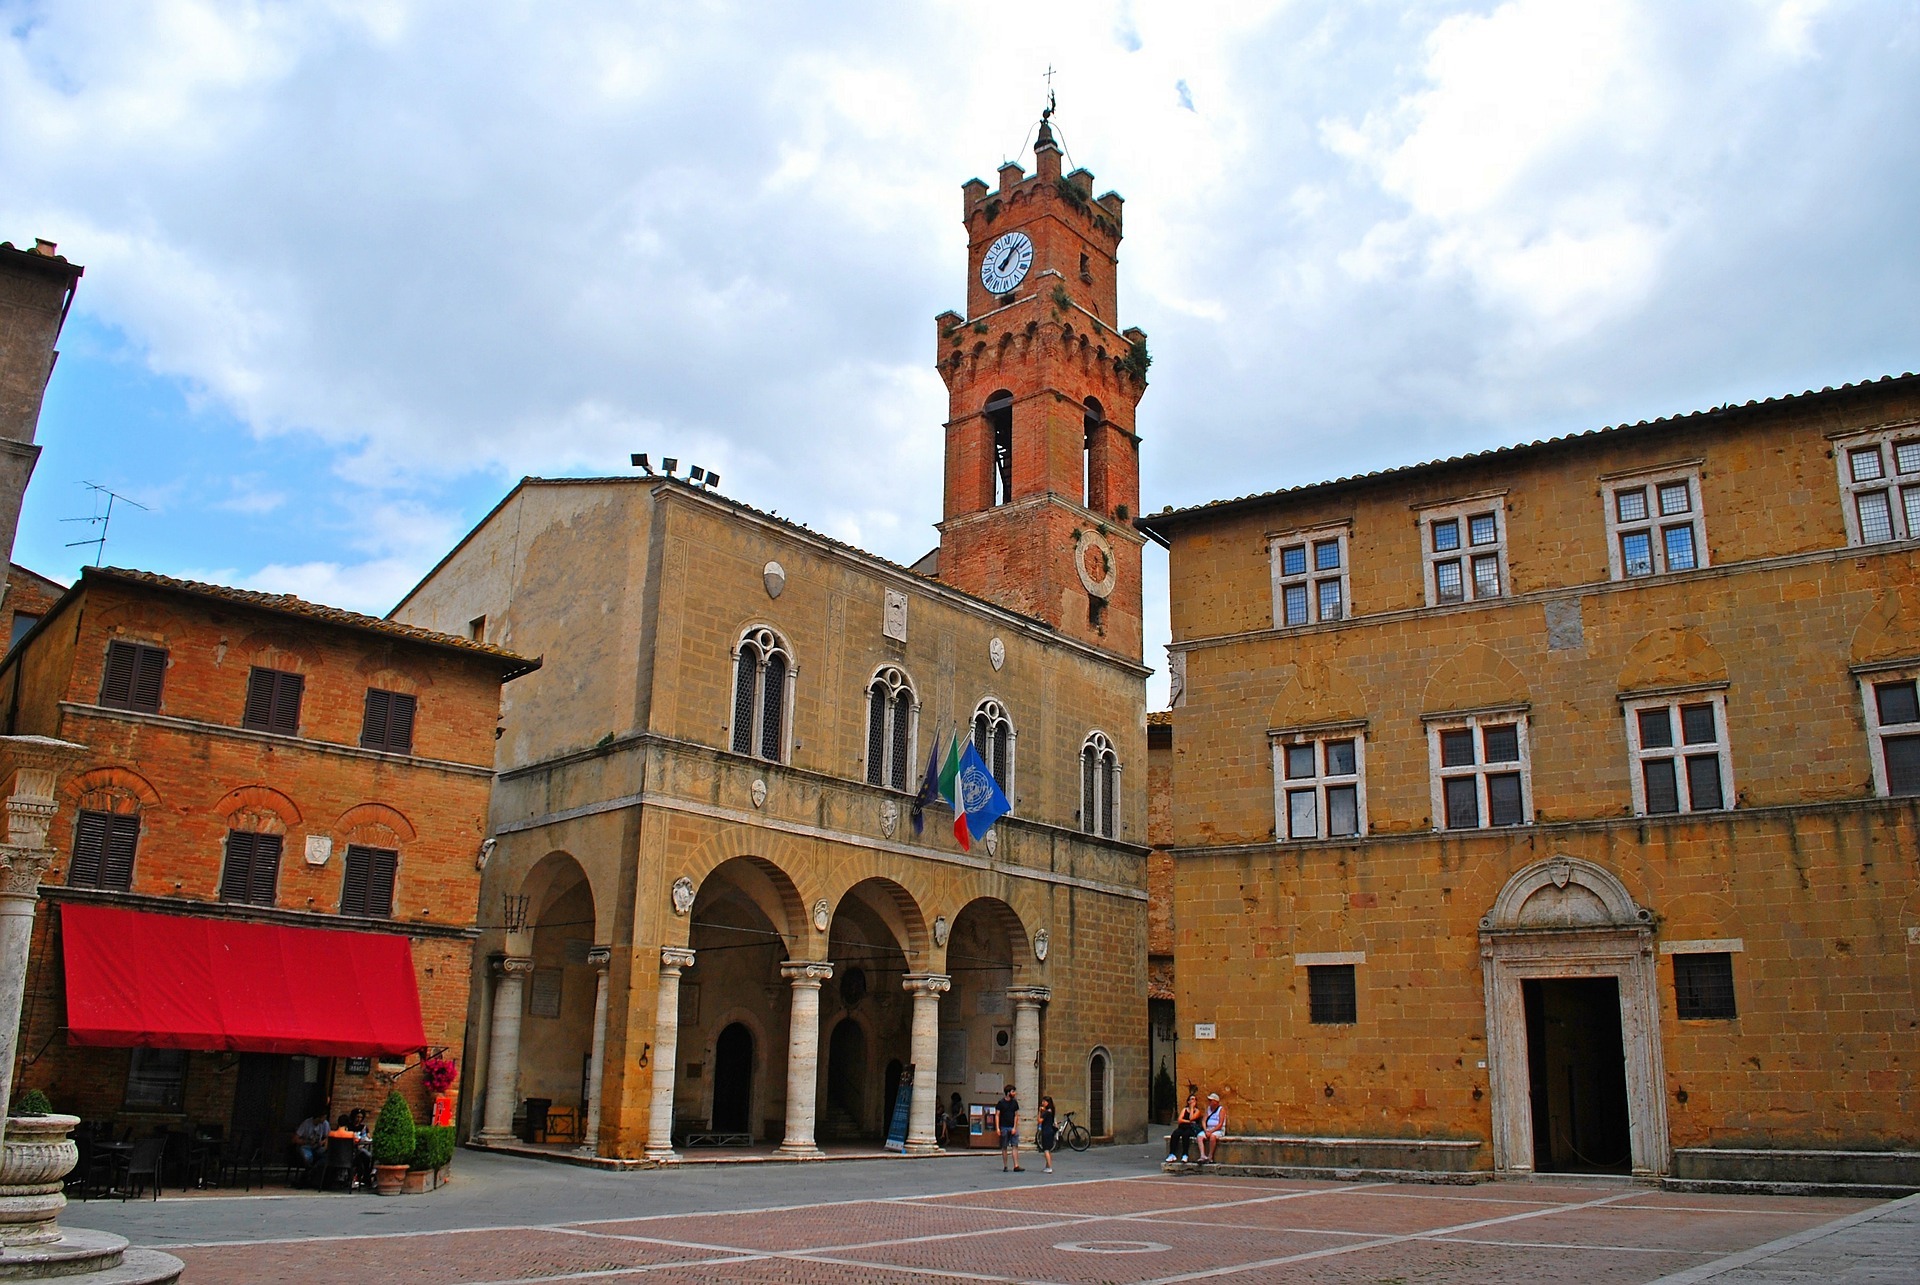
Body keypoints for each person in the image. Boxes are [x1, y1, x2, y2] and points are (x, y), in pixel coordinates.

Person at [1166, 1092, 1201, 1163]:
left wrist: (1191, 1109)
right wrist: (1189, 1121)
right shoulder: (1184, 1110)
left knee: (1186, 1135)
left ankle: (1185, 1154)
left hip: (1191, 1128)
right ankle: (1172, 1154)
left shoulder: (1197, 1111)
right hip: (1182, 1127)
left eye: (1194, 1099)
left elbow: (1192, 1118)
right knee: (1175, 1134)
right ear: (1188, 1101)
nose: (1193, 1101)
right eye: (1191, 1099)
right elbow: (1180, 1120)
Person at [996, 1084, 1022, 1172]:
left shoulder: (1014, 1102)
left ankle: (1016, 1165)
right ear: (1008, 1093)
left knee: (1015, 1145)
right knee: (1004, 1146)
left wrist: (1015, 1127)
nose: (1014, 1093)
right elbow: (997, 1115)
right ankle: (1005, 1165)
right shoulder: (1001, 1103)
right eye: (1013, 1091)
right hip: (1004, 1127)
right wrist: (997, 1128)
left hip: (1012, 1127)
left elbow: (1016, 1115)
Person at [1197, 1092, 1227, 1163]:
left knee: (1213, 1136)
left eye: (1211, 1100)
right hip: (1208, 1129)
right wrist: (1205, 1130)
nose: (1209, 1102)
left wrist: (1211, 1131)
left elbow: (1220, 1124)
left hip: (1218, 1130)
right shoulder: (1208, 1109)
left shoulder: (1221, 1110)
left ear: (1216, 1102)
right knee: (1199, 1136)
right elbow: (1204, 1120)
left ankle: (1210, 1156)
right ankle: (1202, 1155)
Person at [1036, 1095, 1058, 1174]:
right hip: (1051, 1131)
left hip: (1046, 1131)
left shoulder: (1046, 1112)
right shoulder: (1051, 1110)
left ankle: (1049, 1167)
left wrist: (1039, 1112)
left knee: (1045, 1150)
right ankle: (1047, 1166)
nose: (1042, 1103)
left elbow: (1039, 1121)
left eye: (1044, 1102)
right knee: (1048, 1150)